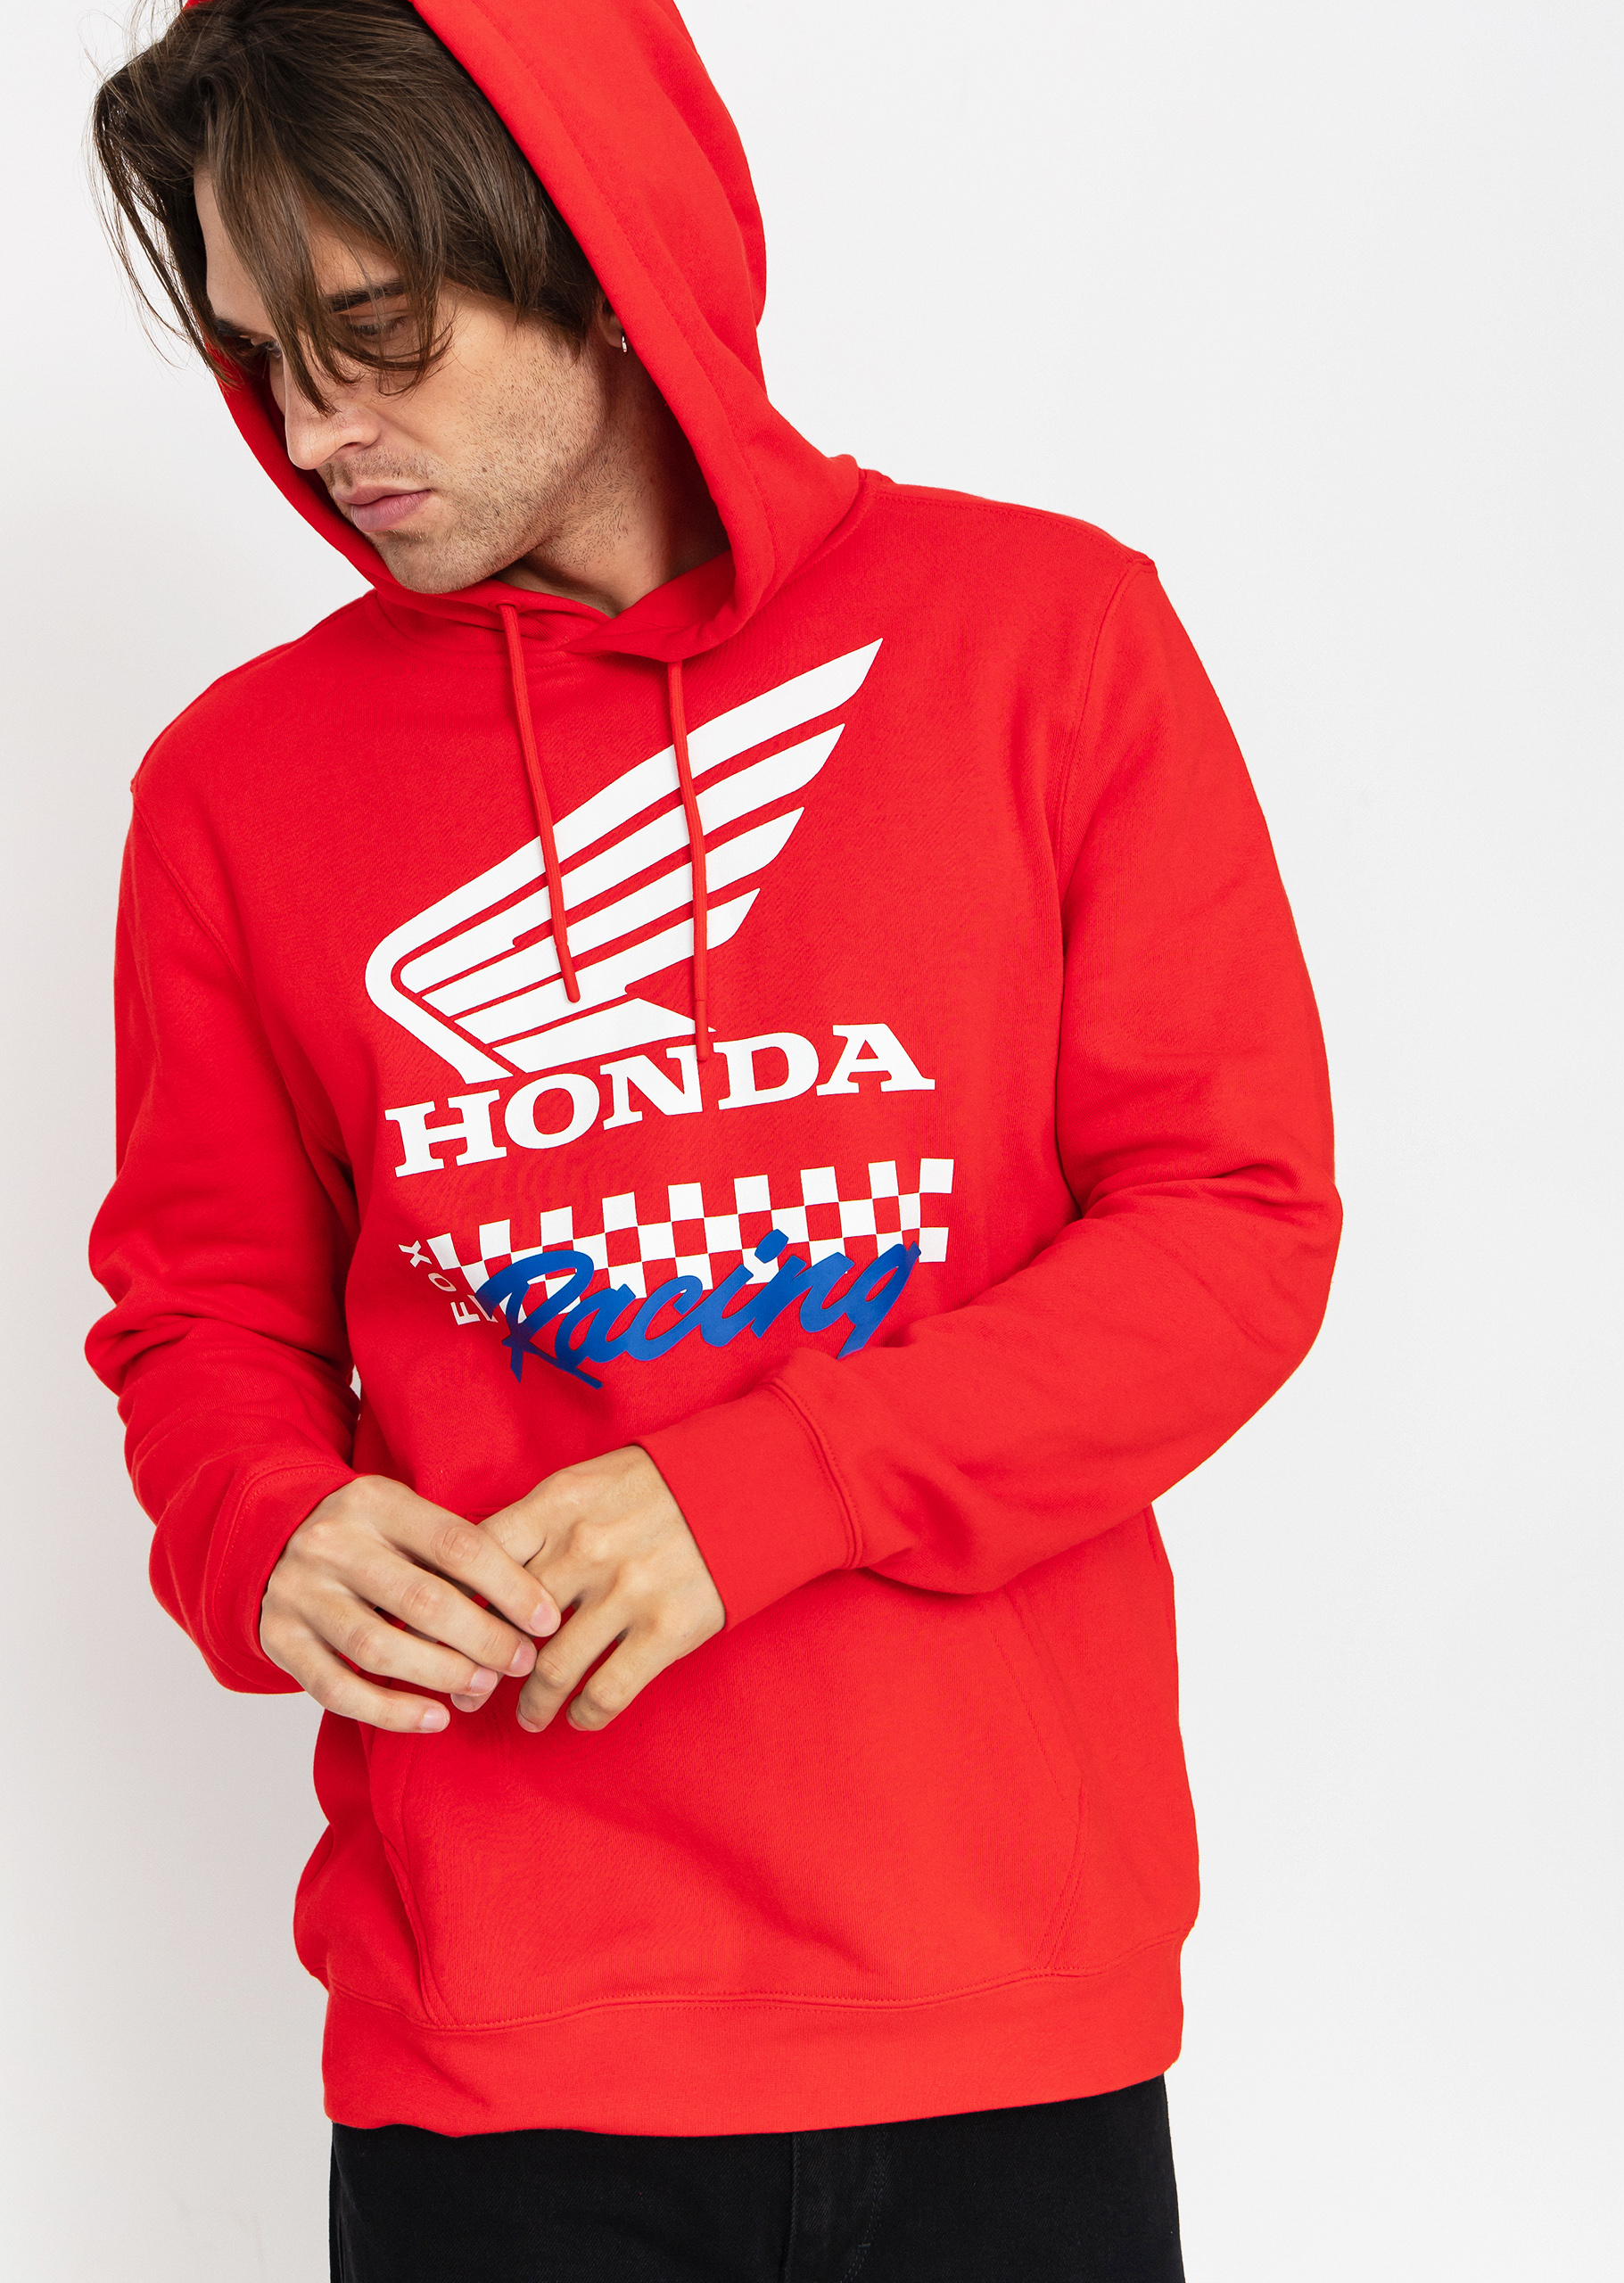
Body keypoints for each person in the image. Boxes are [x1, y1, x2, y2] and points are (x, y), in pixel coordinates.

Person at [85, 1, 1340, 2276]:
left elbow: (1232, 1229)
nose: (317, 428)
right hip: (500, 2063)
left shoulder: (1039, 640)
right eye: (266, 355)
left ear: (596, 248)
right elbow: (201, 1321)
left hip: (996, 2019)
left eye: (377, 332)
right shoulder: (232, 790)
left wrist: (761, 1489)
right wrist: (267, 1523)